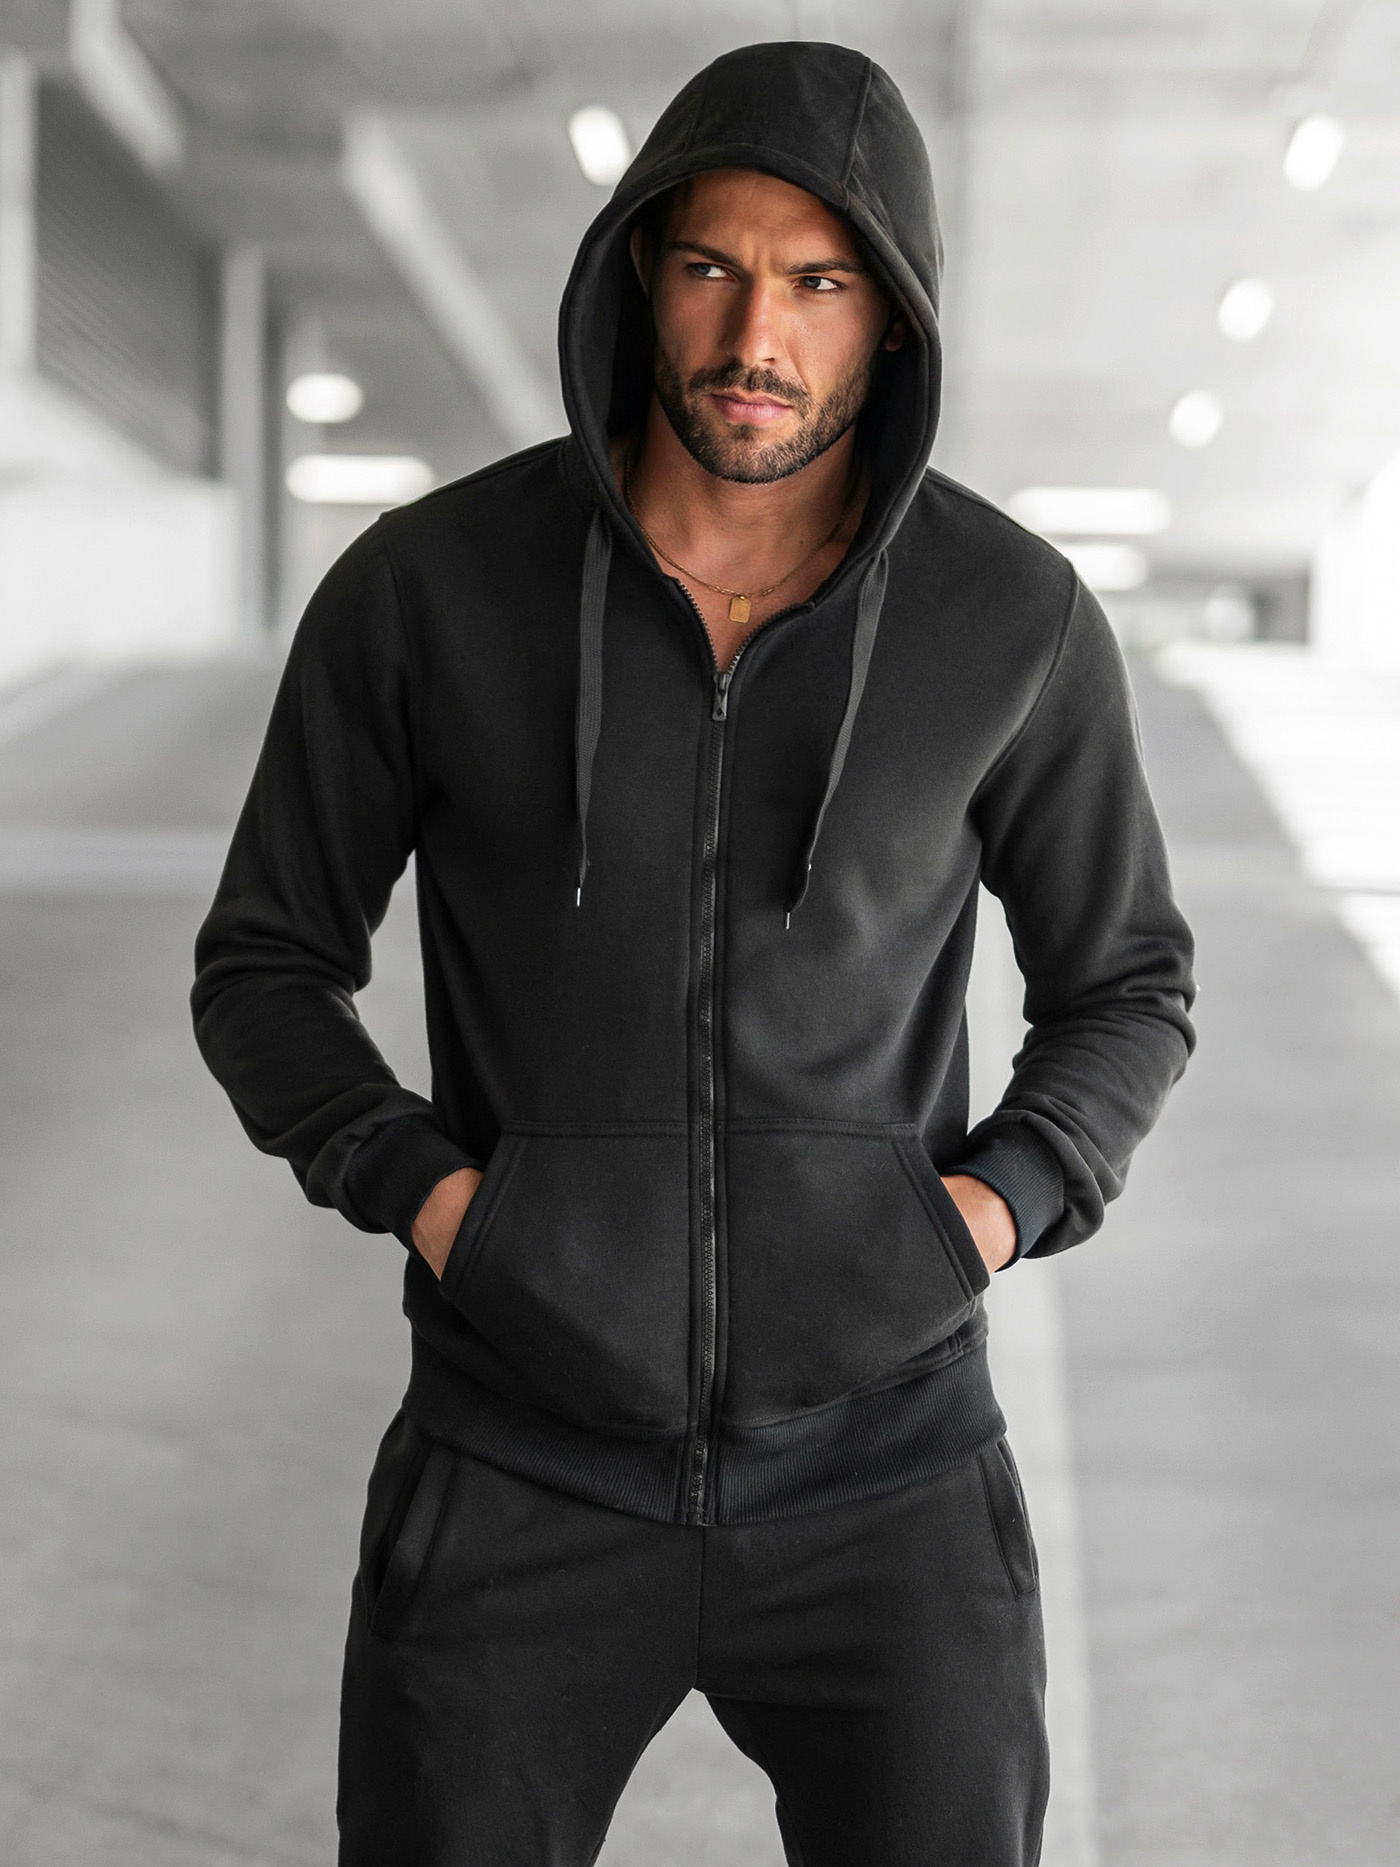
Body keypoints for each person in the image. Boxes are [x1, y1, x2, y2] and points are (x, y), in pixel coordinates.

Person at [192, 39, 1195, 1867]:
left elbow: (1126, 983)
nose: (758, 334)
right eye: (715, 267)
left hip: (887, 1475)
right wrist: (445, 1206)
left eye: (821, 282)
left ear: (893, 318)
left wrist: (981, 1216)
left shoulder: (1010, 621)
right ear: (640, 272)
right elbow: (265, 964)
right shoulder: (429, 591)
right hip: (516, 1460)